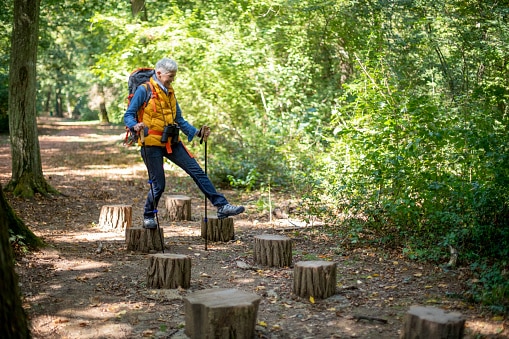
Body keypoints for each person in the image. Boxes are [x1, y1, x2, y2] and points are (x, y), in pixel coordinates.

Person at [124, 57, 245, 229]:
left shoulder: (170, 91)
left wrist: (196, 133)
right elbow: (128, 114)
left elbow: (179, 119)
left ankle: (222, 206)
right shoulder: (144, 90)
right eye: (170, 76)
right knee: (158, 184)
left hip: (172, 141)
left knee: (197, 172)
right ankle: (148, 216)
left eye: (173, 75)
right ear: (159, 73)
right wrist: (134, 125)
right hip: (150, 143)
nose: (172, 79)